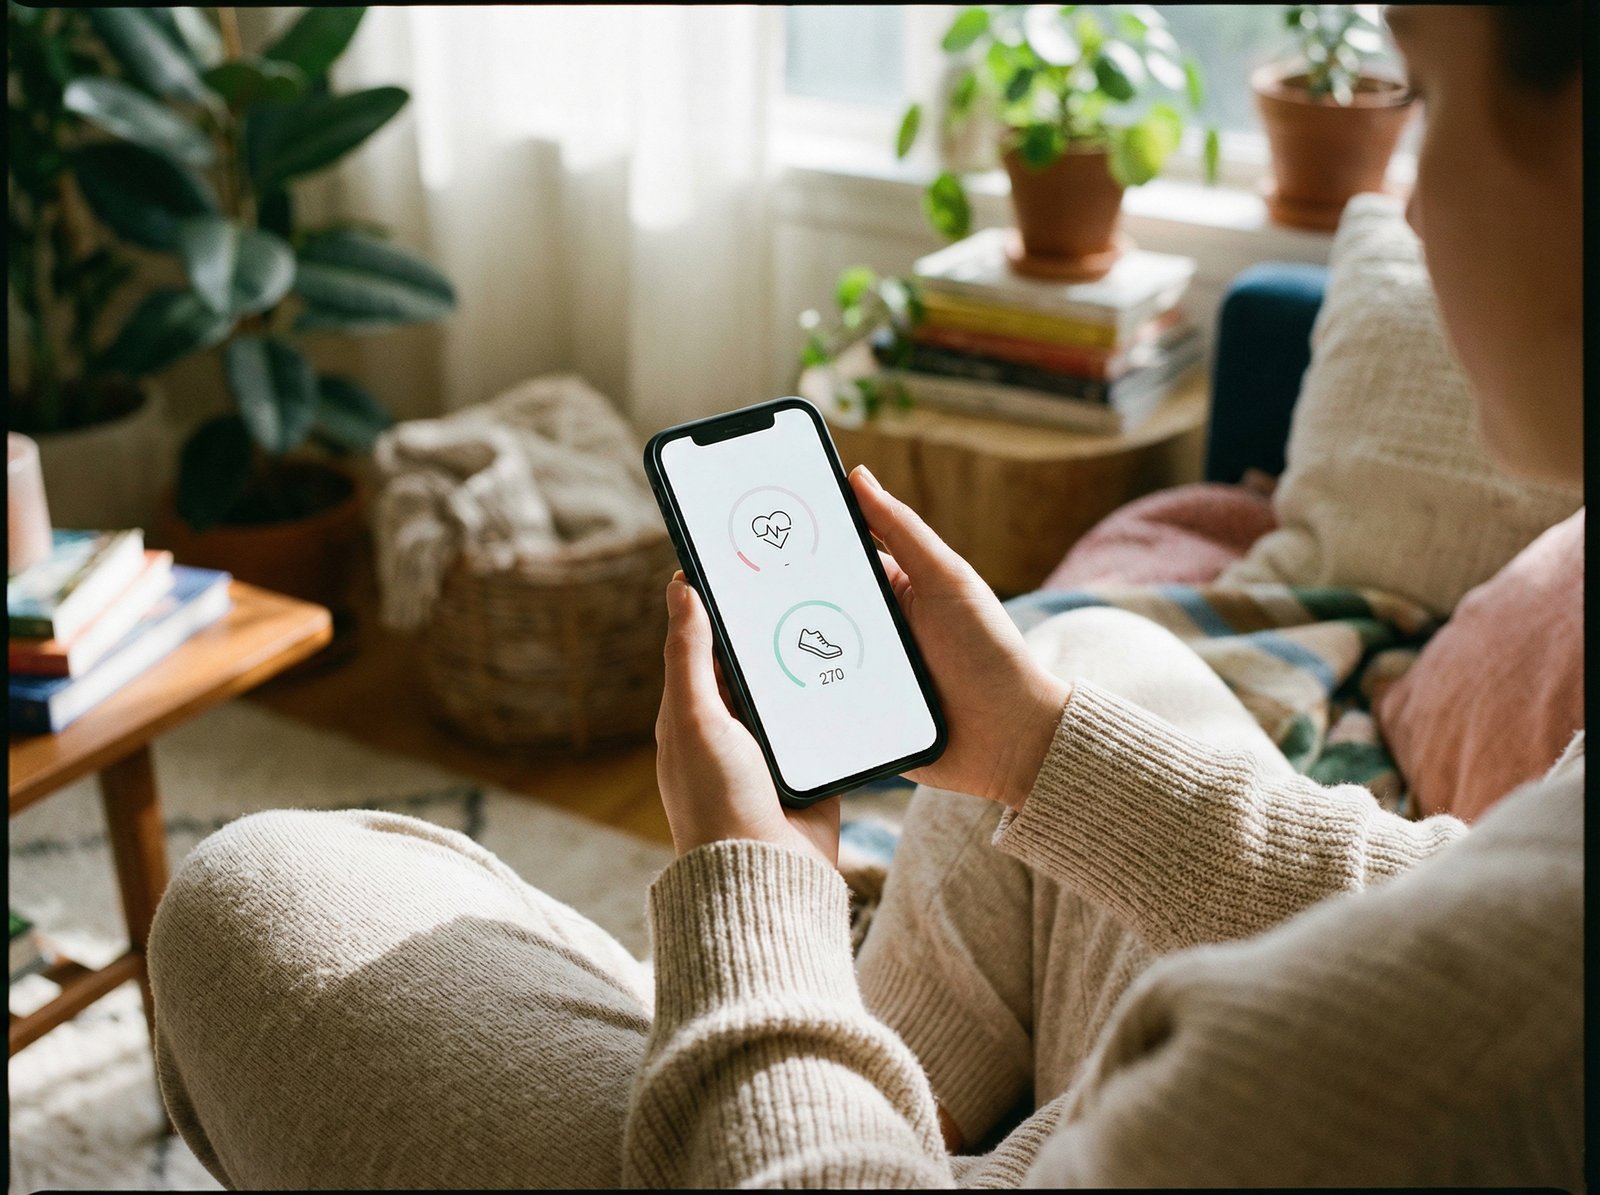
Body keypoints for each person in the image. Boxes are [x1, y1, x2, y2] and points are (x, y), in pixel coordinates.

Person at [147, 6, 1583, 1187]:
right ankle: (843, 1056)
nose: (1406, 190)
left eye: (1425, 93)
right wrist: (1034, 743)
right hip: (1077, 1109)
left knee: (249, 895)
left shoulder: (1436, 1086)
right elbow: (1456, 901)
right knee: (1081, 653)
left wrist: (755, 890)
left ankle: (783, 1077)